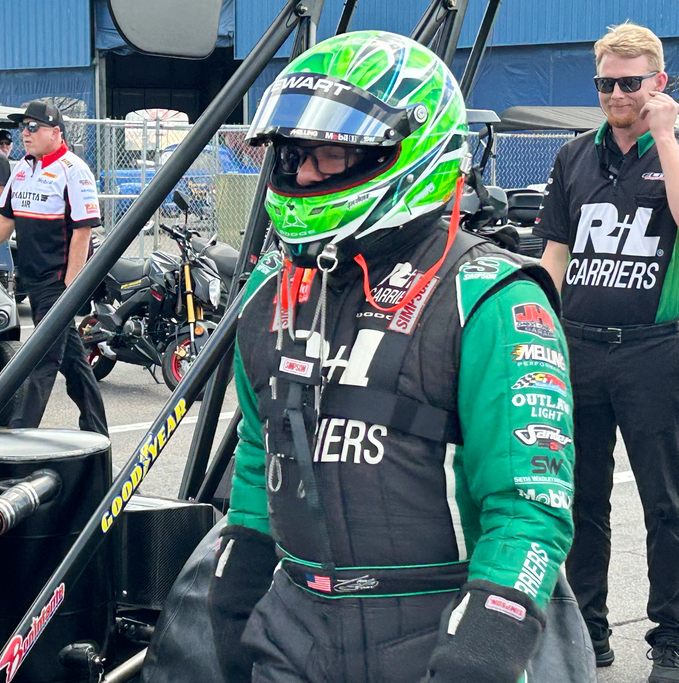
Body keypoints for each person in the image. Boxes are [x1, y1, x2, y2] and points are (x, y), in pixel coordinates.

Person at [210, 31, 574, 683]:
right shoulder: (269, 294)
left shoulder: (489, 297)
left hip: (433, 627)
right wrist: (239, 564)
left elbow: (529, 501)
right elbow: (262, 449)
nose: (303, 174)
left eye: (328, 154)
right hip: (294, 626)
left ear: (411, 150)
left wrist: (490, 634)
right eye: (292, 154)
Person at [535, 22, 679, 683]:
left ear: (658, 82)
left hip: (652, 353)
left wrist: (665, 136)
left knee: (665, 503)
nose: (615, 93)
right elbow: (553, 256)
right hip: (580, 350)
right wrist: (540, 333)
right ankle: (590, 632)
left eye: (629, 82)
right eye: (605, 83)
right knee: (581, 501)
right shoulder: (571, 157)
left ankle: (669, 641)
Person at [0, 100, 107, 436]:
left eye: (33, 127)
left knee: (41, 361)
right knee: (74, 364)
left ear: (55, 132)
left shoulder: (74, 169)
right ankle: (97, 430)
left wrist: (70, 290)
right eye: (22, 127)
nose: (25, 133)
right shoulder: (21, 168)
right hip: (31, 280)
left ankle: (19, 439)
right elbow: (4, 221)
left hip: (58, 283)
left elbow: (83, 232)